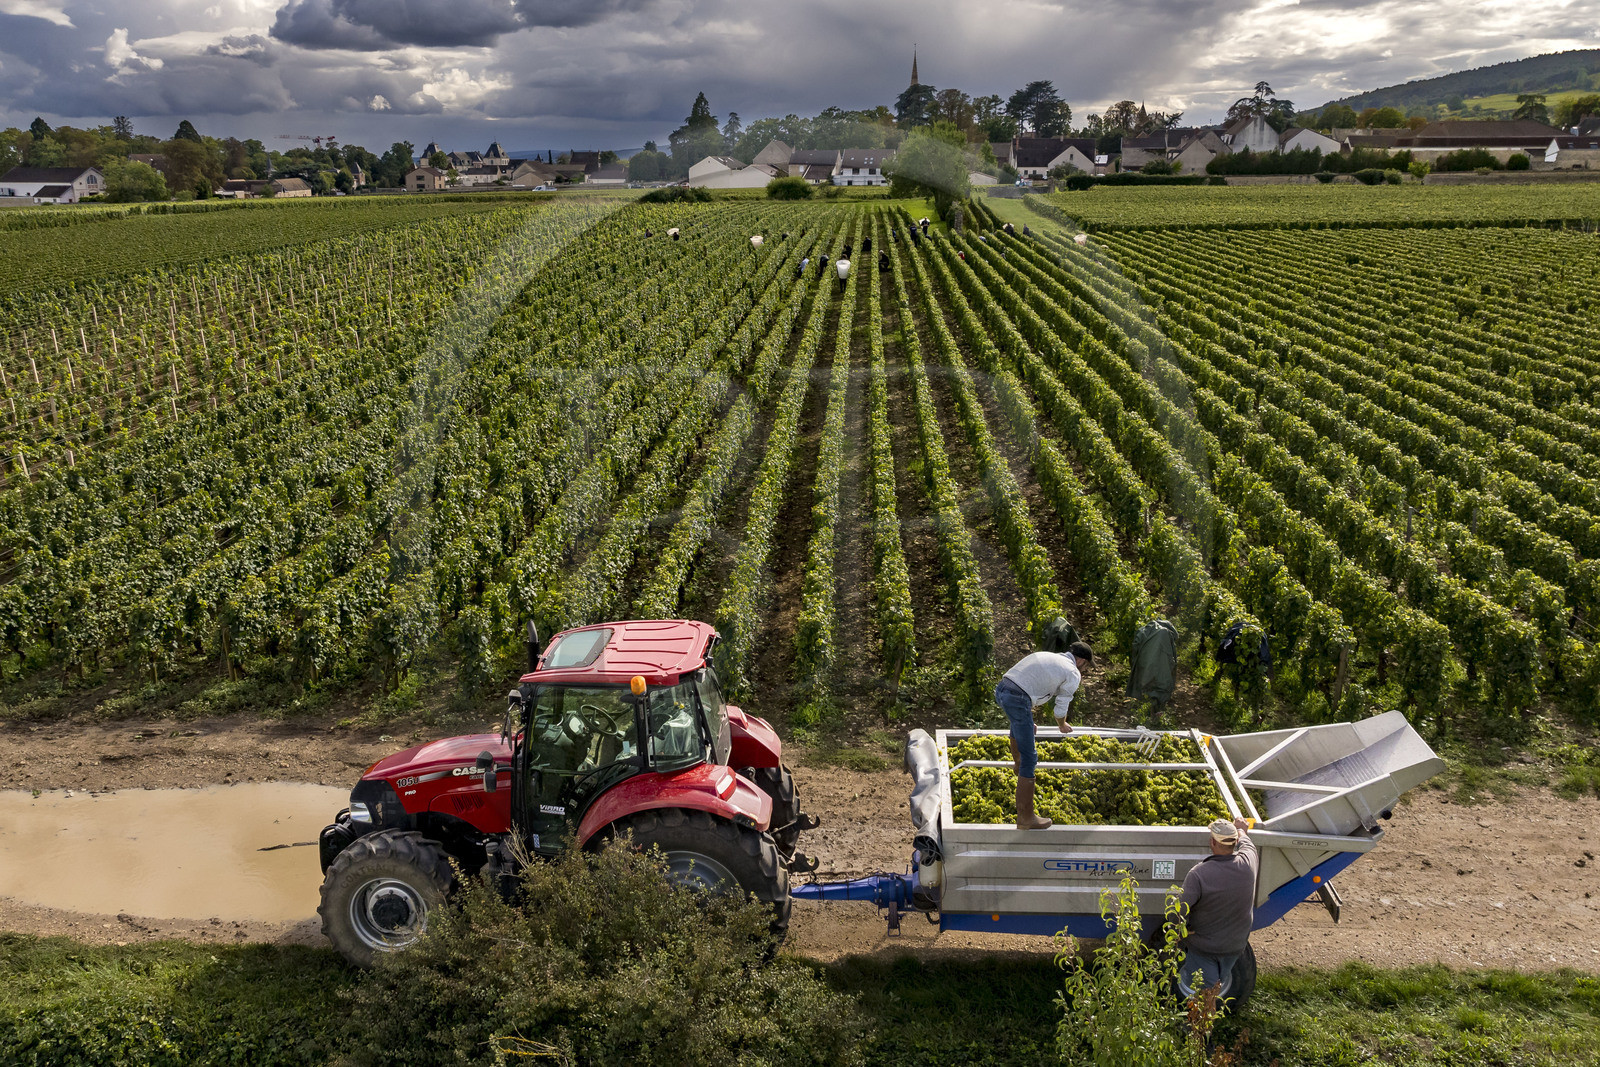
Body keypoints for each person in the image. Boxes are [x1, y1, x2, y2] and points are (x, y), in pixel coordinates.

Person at [993, 641, 1093, 830]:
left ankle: (1018, 764)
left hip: (1002, 690)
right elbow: (1061, 706)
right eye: (1086, 665)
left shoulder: (1049, 656)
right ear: (1080, 660)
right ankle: (1026, 817)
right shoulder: (1072, 672)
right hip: (1017, 697)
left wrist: (1027, 720)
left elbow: (1027, 684)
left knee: (1022, 726)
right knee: (1031, 758)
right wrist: (1062, 724)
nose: (1085, 669)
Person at [1174, 817, 1259, 1001]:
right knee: (1214, 985)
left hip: (1206, 948)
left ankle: (1199, 1027)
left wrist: (1183, 930)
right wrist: (1242, 830)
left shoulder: (1199, 874)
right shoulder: (1248, 864)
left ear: (1212, 842)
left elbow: (1180, 911)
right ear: (1235, 842)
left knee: (1203, 994)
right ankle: (1205, 1017)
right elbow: (1248, 845)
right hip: (1235, 946)